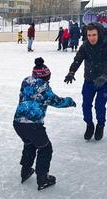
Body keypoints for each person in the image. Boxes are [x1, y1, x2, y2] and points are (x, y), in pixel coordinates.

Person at [13, 57, 76, 190]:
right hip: (33, 125)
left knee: (30, 144)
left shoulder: (25, 81)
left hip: (18, 123)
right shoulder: (44, 88)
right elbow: (57, 102)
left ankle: (25, 171)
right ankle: (42, 179)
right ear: (47, 77)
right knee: (45, 148)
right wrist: (70, 101)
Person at [64, 22, 107, 141]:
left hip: (106, 81)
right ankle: (89, 124)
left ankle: (100, 125)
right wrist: (71, 71)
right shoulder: (85, 46)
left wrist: (104, 76)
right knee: (86, 105)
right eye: (89, 35)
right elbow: (78, 59)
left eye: (94, 35)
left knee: (99, 105)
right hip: (90, 80)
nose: (91, 38)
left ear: (100, 33)